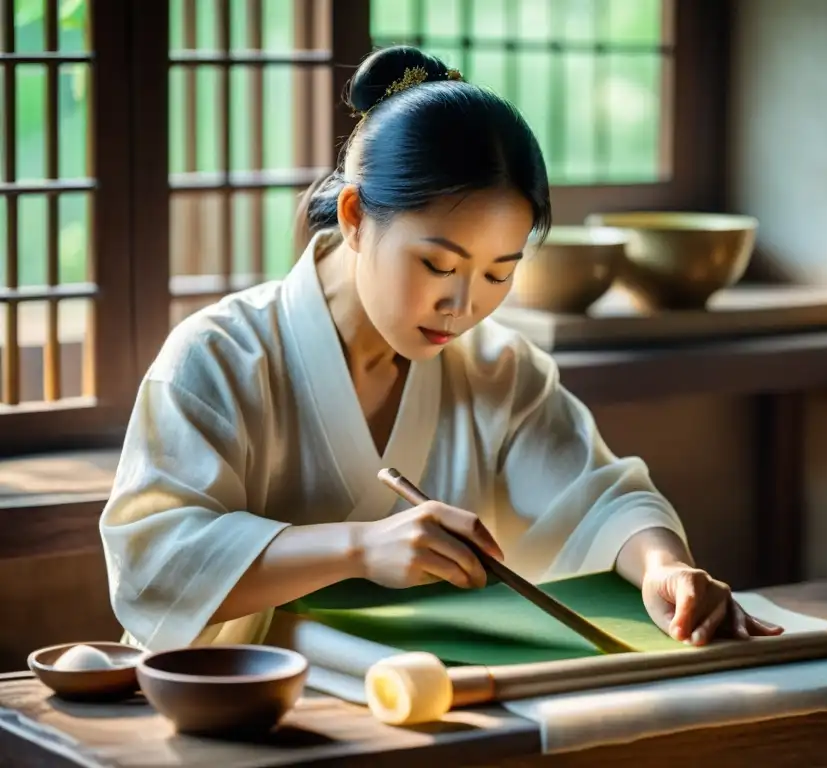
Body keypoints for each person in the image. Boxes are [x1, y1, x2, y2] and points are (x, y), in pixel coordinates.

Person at [99, 45, 783, 655]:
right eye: (436, 265)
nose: (463, 307)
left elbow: (597, 496)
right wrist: (362, 548)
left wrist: (663, 566)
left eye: (496, 274)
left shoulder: (497, 369)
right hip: (238, 710)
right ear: (356, 217)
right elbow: (157, 559)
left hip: (423, 706)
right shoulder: (217, 358)